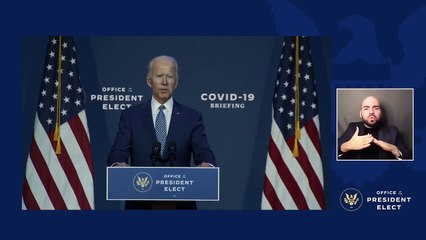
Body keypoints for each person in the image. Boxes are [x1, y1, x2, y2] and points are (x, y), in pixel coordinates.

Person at [107, 55, 216, 209]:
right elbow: (118, 151)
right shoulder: (131, 116)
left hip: (181, 204)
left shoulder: (192, 117)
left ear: (176, 82)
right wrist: (118, 165)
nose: (164, 82)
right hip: (140, 203)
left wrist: (208, 165)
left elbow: (203, 151)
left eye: (170, 76)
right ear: (149, 80)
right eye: (159, 76)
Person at [337, 96, 411, 160]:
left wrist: (394, 149)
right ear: (361, 114)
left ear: (381, 114)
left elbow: (409, 156)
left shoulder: (393, 131)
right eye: (366, 108)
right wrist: (347, 146)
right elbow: (332, 149)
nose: (371, 112)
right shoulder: (352, 128)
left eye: (376, 108)